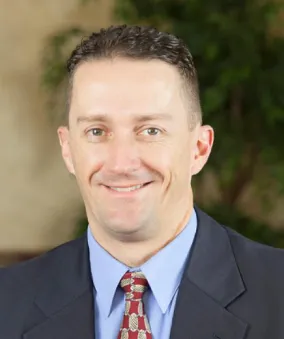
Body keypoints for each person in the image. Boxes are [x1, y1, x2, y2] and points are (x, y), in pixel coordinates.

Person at [1, 24, 284, 339]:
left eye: (151, 131)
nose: (121, 163)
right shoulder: (7, 303)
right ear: (68, 150)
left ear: (199, 149)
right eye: (97, 131)